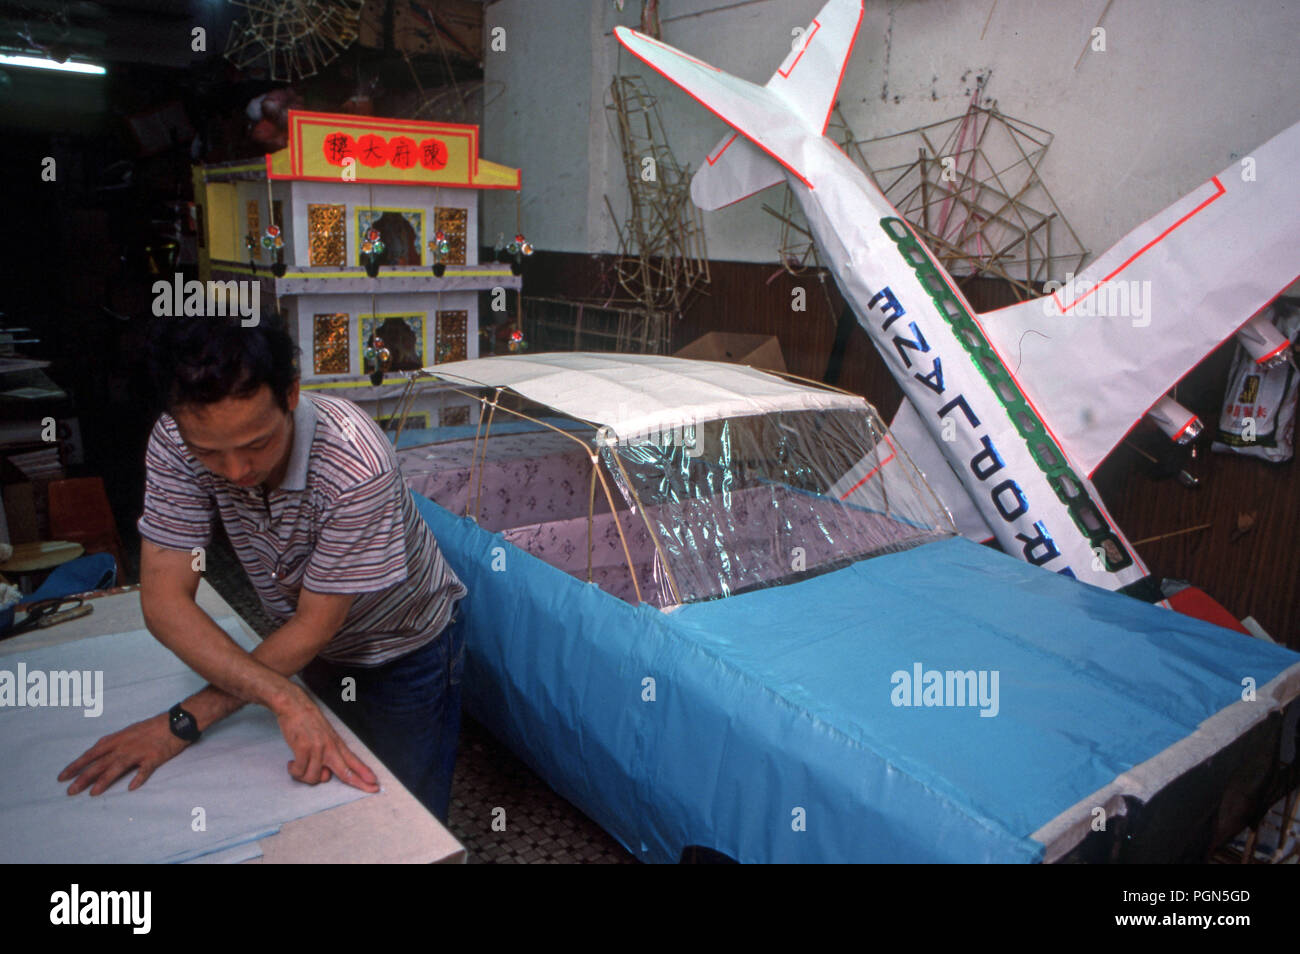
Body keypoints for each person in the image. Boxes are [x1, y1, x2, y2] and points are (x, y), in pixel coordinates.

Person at [58, 313, 468, 822]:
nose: (236, 472)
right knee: (327, 795)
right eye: (210, 452)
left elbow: (314, 625)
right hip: (309, 644)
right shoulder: (176, 442)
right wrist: (283, 695)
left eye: (257, 445)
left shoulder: (355, 464)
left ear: (291, 394)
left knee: (406, 817)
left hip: (405, 644)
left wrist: (183, 722)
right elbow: (164, 601)